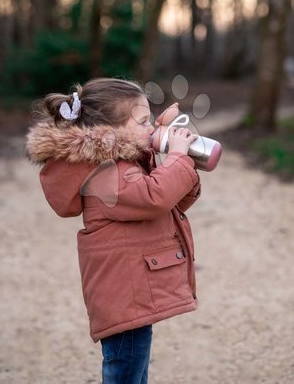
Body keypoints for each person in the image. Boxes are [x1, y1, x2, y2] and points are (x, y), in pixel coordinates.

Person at [26, 77, 201, 384]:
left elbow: (171, 202)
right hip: (123, 297)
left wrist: (168, 159)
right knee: (125, 372)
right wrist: (176, 157)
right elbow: (155, 197)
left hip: (129, 294)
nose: (150, 128)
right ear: (110, 130)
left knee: (133, 370)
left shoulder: (121, 165)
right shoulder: (107, 174)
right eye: (143, 121)